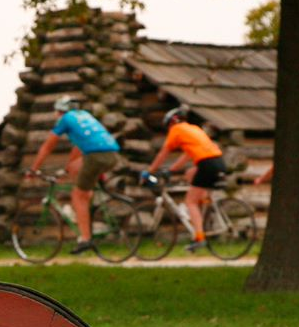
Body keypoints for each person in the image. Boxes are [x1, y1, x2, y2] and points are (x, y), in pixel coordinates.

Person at [25, 96, 123, 254]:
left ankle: (85, 239)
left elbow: (47, 146)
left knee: (77, 195)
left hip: (95, 156)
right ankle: (90, 209)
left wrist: (33, 169)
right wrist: (67, 167)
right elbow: (79, 147)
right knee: (80, 180)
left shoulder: (65, 119)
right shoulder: (84, 115)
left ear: (59, 111)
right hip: (111, 155)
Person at [143, 105, 227, 248]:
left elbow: (163, 153)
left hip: (206, 164)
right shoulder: (194, 129)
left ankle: (199, 238)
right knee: (189, 174)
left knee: (190, 201)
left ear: (171, 123)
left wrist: (150, 171)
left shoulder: (176, 130)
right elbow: (187, 155)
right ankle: (204, 203)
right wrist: (172, 169)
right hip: (218, 161)